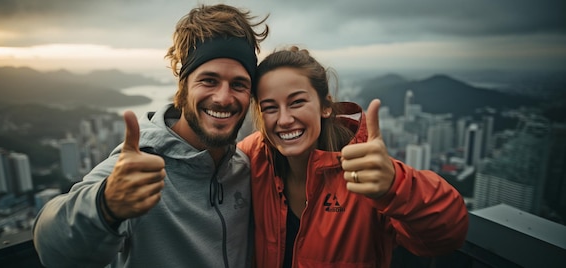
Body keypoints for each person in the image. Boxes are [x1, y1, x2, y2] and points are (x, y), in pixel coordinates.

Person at [33, 4, 269, 267]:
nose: (223, 98)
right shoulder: (143, 168)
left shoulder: (245, 168)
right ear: (184, 85)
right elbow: (52, 247)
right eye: (208, 80)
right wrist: (105, 205)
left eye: (238, 84)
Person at [237, 46, 469, 267]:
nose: (285, 119)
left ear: (325, 106)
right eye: (270, 107)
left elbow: (448, 235)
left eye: (297, 102)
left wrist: (396, 185)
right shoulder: (254, 157)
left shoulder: (365, 172)